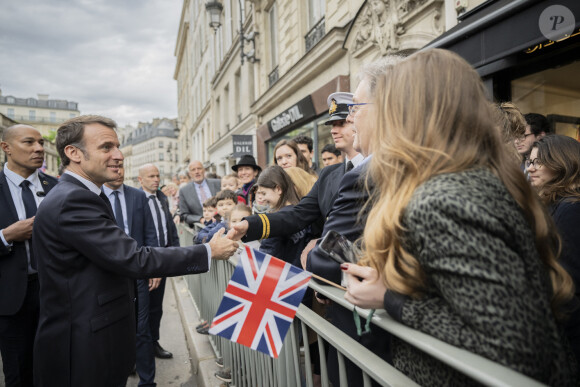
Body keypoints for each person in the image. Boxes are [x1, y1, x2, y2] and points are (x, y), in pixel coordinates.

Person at [342, 49, 576, 386]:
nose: (356, 120)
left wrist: (391, 299)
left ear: (405, 114)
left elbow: (517, 345)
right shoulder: (468, 182)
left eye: (380, 108)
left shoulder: (443, 199)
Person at [32, 115, 239, 387]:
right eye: (106, 147)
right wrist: (208, 251)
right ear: (73, 153)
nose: (118, 155)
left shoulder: (81, 194)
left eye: (118, 146)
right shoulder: (73, 199)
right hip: (83, 348)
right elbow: (133, 257)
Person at [0, 124, 58, 387]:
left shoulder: (56, 187)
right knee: (19, 372)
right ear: (6, 148)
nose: (39, 149)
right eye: (29, 142)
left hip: (55, 294)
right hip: (11, 300)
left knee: (54, 367)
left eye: (41, 143)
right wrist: (6, 235)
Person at [103, 165, 160, 386]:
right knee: (112, 332)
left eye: (121, 167)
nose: (118, 171)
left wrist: (155, 268)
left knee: (142, 329)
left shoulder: (137, 196)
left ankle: (147, 382)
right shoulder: (93, 196)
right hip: (107, 277)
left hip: (138, 274)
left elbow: (149, 233)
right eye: (112, 167)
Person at [138, 163, 181, 360]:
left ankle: (153, 342)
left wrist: (176, 253)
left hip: (163, 259)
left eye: (157, 176)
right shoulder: (136, 200)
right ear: (140, 180)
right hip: (145, 261)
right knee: (140, 310)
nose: (156, 179)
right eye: (151, 176)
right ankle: (136, 352)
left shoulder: (162, 198)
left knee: (157, 307)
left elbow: (170, 228)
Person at [255, 166, 308, 267]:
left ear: (278, 189)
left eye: (264, 193)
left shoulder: (275, 221)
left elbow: (264, 259)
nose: (263, 198)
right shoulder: (303, 213)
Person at [179, 160, 221, 227]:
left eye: (199, 168)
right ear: (189, 174)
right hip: (200, 229)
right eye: (193, 170)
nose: (197, 172)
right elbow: (184, 215)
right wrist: (201, 219)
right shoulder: (184, 191)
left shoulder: (218, 183)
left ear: (204, 170)